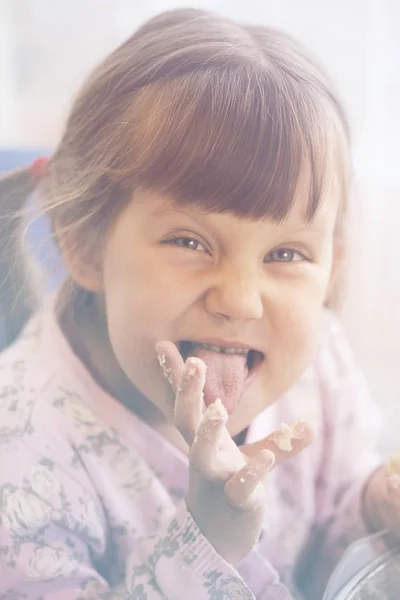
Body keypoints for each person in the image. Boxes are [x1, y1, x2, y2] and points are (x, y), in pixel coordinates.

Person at [0, 8, 398, 600]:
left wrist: (371, 506)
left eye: (287, 254)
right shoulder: (23, 459)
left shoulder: (322, 364)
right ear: (83, 244)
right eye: (189, 242)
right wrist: (211, 540)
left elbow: (326, 534)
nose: (239, 300)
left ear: (330, 266)